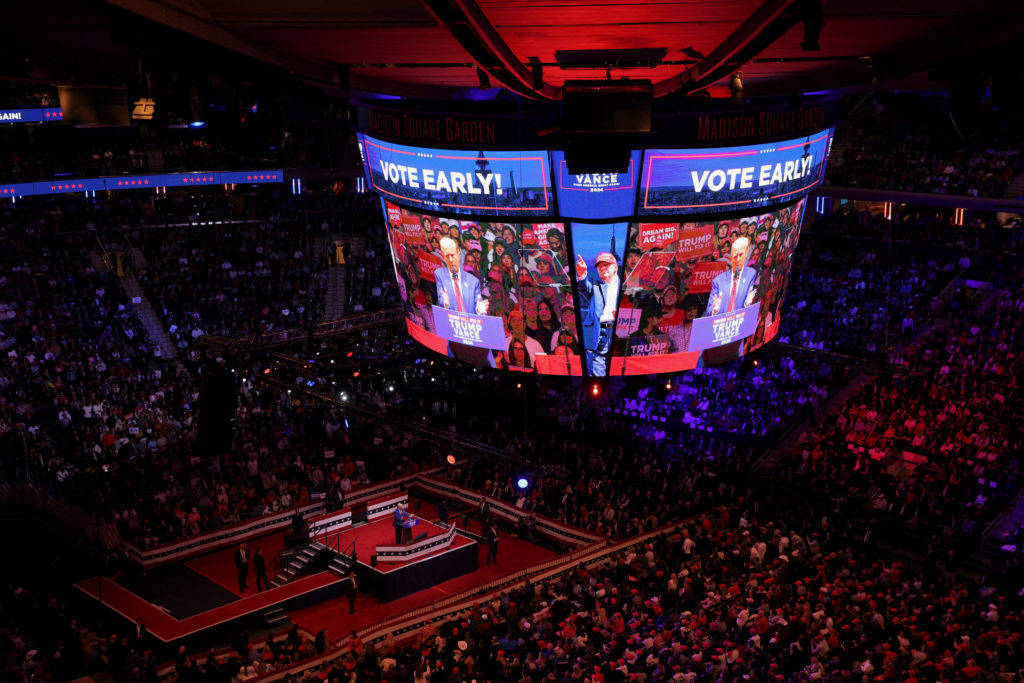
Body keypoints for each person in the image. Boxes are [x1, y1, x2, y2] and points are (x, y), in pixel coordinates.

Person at [576, 252, 620, 377]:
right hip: (600, 331)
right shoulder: (595, 286)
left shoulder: (626, 285)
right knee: (598, 363)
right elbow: (583, 287)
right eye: (599, 266)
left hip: (619, 333)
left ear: (615, 267)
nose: (602, 268)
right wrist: (581, 274)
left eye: (606, 264)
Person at [704, 236, 757, 317]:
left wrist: (747, 304)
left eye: (741, 255)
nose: (738, 260)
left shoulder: (750, 274)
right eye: (735, 256)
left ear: (746, 253)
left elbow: (751, 310)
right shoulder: (718, 281)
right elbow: (708, 311)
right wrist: (714, 311)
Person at [435, 237, 488, 315]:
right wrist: (445, 304)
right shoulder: (440, 274)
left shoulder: (473, 282)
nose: (450, 260)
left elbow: (479, 305)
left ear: (458, 255)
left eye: (452, 255)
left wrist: (479, 311)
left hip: (469, 324)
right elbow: (441, 299)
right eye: (447, 256)